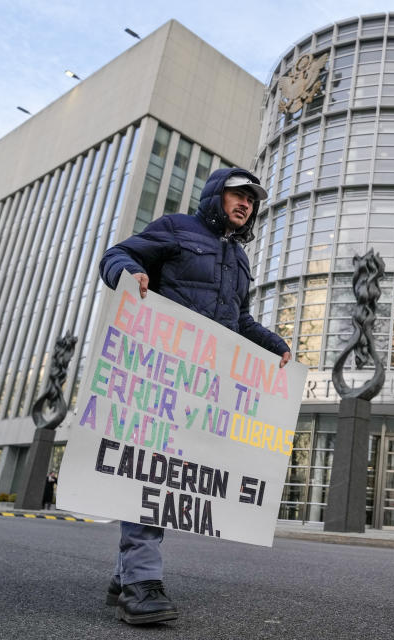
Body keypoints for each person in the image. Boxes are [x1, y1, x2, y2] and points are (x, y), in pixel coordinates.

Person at [99, 167, 292, 625]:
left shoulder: (241, 262)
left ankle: (125, 575)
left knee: (170, 480)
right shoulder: (175, 228)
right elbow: (117, 254)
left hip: (205, 386)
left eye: (252, 199)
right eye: (238, 195)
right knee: (152, 474)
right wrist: (129, 272)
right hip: (158, 375)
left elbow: (239, 321)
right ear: (216, 196)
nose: (245, 203)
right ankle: (141, 584)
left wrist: (275, 345)